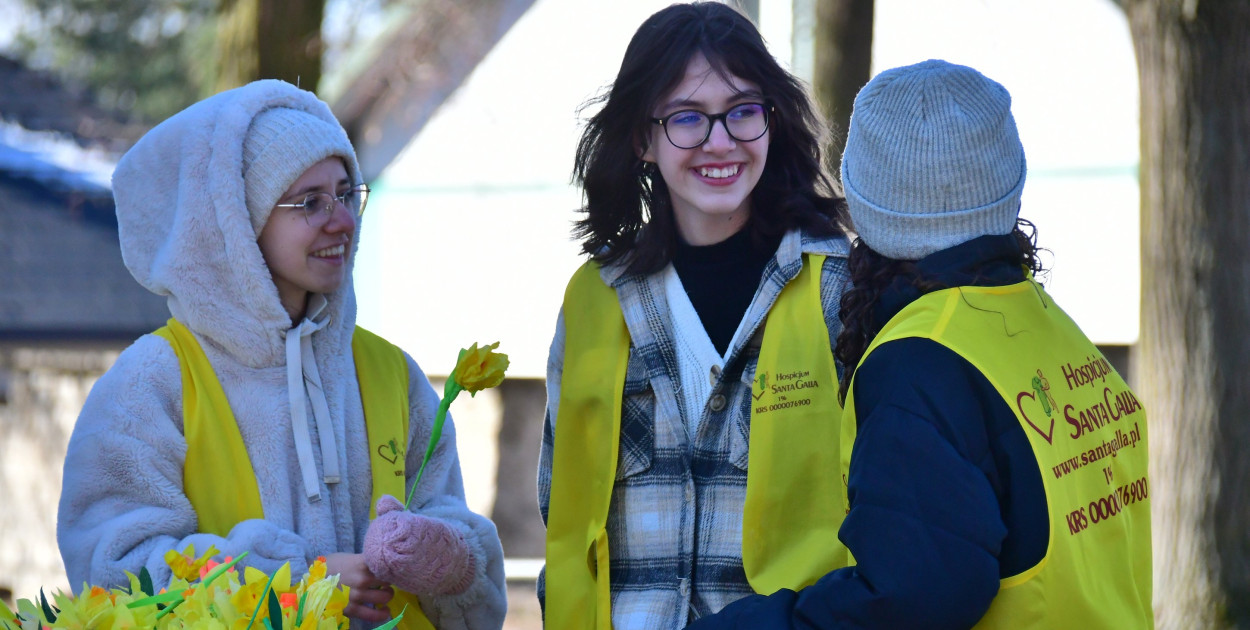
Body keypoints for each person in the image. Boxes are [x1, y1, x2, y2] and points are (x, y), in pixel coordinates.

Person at [684, 59, 1152, 629]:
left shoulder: (919, 364)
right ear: (1008, 185)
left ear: (863, 203)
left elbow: (909, 597)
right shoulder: (1050, 331)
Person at [56, 80, 507, 629]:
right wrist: (296, 584)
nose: (341, 221)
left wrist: (448, 559)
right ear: (237, 224)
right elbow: (114, 575)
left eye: (346, 193)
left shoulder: (392, 373)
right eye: (309, 203)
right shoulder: (152, 382)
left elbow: (469, 582)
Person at [537, 3, 854, 629]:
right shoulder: (593, 300)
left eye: (743, 110)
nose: (720, 141)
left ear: (772, 119)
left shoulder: (839, 287)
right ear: (641, 139)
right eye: (687, 118)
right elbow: (563, 520)